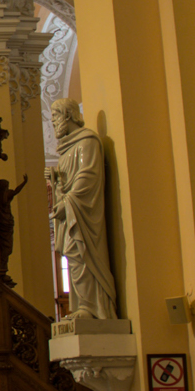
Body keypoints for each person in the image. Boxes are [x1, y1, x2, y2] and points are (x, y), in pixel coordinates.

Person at [47, 99, 118, 323]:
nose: (54, 122)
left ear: (68, 115)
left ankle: (93, 307)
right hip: (72, 212)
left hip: (84, 213)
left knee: (81, 254)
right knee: (73, 256)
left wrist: (66, 201)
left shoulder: (87, 142)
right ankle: (83, 305)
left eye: (56, 117)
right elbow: (70, 182)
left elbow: (88, 177)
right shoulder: (67, 149)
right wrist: (56, 182)